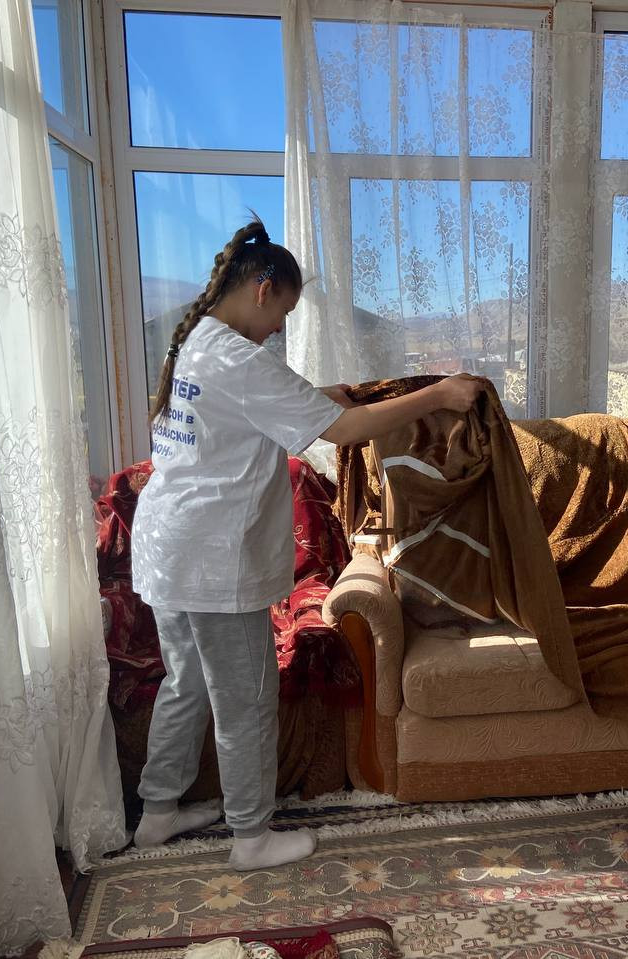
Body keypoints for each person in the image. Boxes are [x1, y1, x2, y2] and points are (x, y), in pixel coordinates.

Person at [130, 215, 485, 870]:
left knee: (187, 683)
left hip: (167, 548)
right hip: (211, 559)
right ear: (263, 288)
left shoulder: (200, 340)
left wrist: (330, 395)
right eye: (283, 314)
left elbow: (257, 406)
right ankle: (251, 837)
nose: (279, 330)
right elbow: (345, 431)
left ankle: (157, 814)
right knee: (244, 696)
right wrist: (438, 393)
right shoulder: (238, 356)